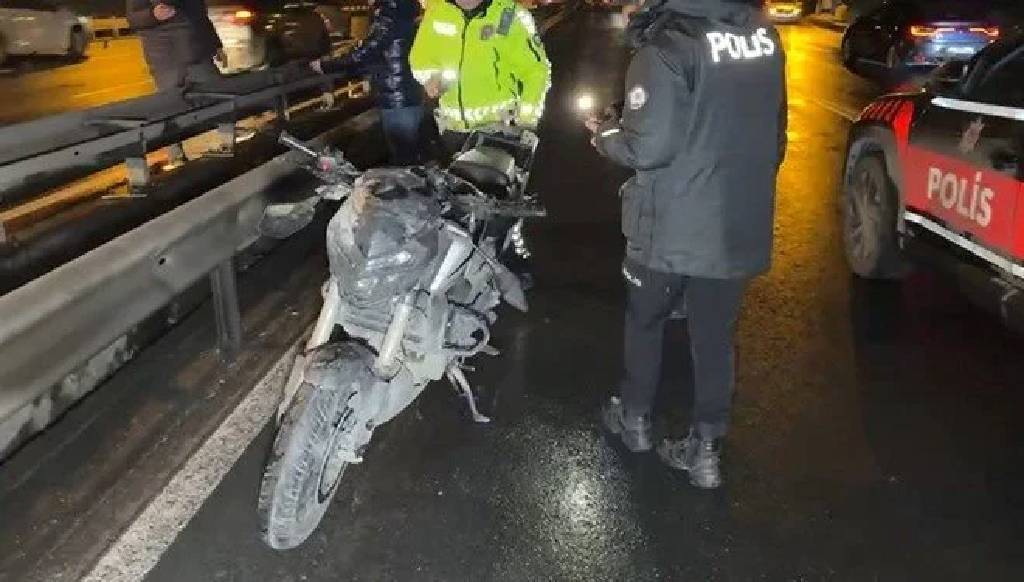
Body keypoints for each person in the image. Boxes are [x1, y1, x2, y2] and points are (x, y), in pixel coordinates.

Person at [589, 0, 787, 489]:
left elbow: (647, 147)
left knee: (646, 319)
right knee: (714, 336)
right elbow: (776, 134)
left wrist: (605, 133)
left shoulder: (667, 45)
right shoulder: (764, 37)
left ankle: (634, 419)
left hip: (670, 221)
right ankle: (706, 452)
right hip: (737, 218)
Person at [409, 0, 551, 152]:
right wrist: (430, 77)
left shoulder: (510, 16)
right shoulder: (437, 11)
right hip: (452, 131)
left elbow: (536, 71)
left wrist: (525, 123)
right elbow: (420, 57)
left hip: (498, 133)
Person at [313, 0, 426, 166]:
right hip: (407, 92)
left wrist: (325, 65)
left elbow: (366, 52)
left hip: (397, 96)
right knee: (410, 154)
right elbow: (378, 56)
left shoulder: (390, 14)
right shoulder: (405, 10)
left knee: (404, 159)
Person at [126, 0, 224, 91]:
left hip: (198, 57)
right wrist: (153, 15)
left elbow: (201, 17)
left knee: (215, 96)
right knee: (174, 102)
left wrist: (216, 44)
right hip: (166, 62)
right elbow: (133, 19)